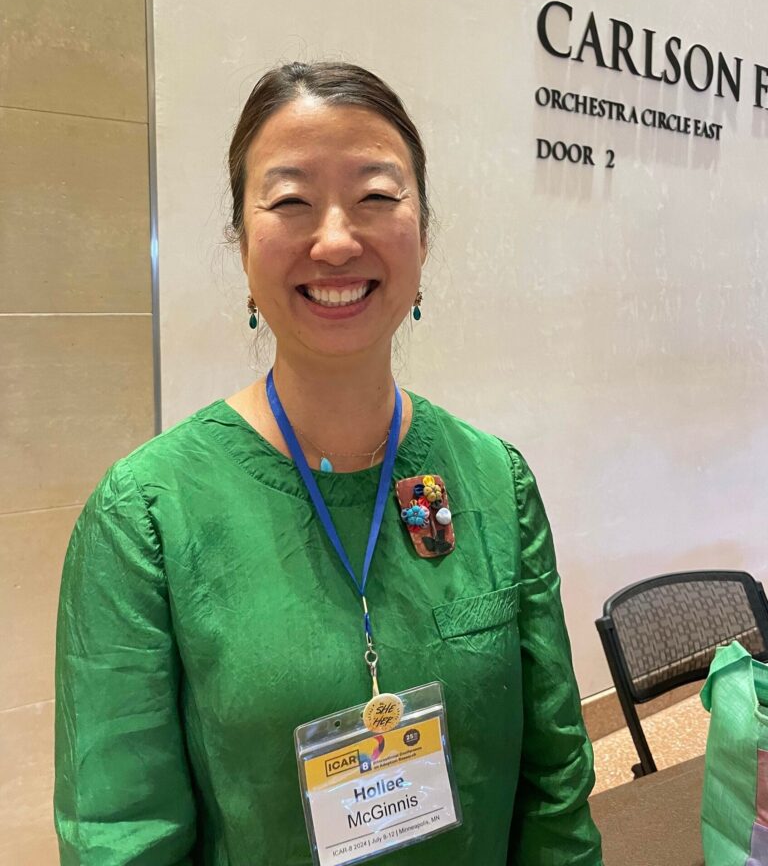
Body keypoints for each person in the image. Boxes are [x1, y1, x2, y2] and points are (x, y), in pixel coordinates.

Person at [54, 62, 603, 865]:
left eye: (376, 196)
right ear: (243, 245)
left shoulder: (494, 481)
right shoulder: (146, 515)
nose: (338, 239)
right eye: (290, 201)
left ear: (423, 233)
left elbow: (555, 790)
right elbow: (120, 833)